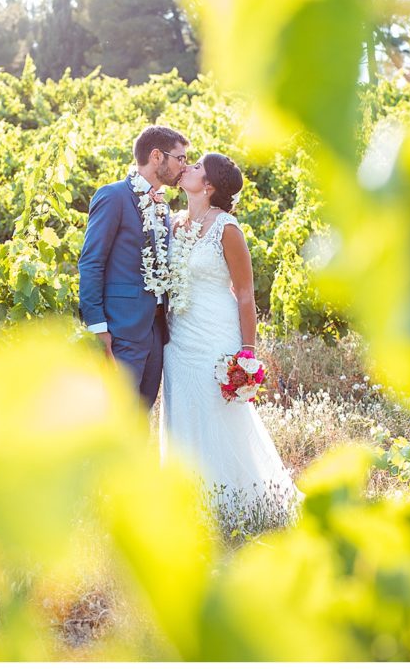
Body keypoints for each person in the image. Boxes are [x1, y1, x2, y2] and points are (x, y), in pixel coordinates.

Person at [159, 153, 300, 523]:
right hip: (178, 340)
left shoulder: (228, 229)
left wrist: (247, 354)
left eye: (196, 168)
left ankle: (237, 505)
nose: (186, 168)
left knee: (219, 416)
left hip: (216, 337)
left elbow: (245, 294)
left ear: (209, 186)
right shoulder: (173, 223)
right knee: (184, 412)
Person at [79, 125, 189, 409]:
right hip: (120, 330)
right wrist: (98, 328)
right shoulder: (113, 196)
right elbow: (91, 262)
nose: (184, 166)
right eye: (180, 158)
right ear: (156, 156)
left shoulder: (162, 207)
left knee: (141, 418)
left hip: (155, 331)